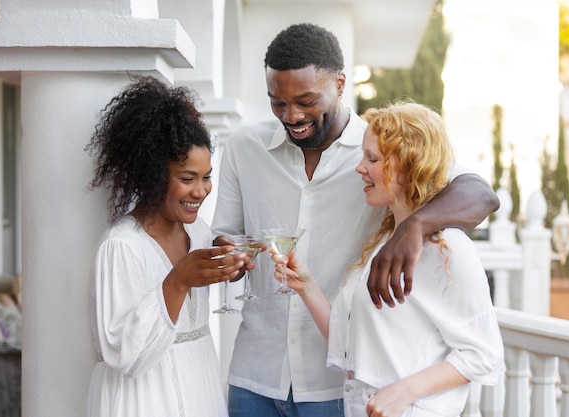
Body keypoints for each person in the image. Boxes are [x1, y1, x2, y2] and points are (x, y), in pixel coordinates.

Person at [211, 23, 499, 417]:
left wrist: (413, 227)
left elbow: (480, 193)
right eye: (277, 102)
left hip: (338, 385)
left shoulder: (384, 146)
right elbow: (225, 238)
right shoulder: (244, 149)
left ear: (341, 83)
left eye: (307, 100)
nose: (291, 115)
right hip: (255, 373)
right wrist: (229, 260)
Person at [271, 101, 504, 417]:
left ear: (409, 166)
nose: (360, 167)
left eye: (373, 158)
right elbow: (349, 343)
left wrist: (402, 392)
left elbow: (484, 354)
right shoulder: (384, 240)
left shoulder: (448, 248)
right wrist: (306, 286)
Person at [85, 75, 249, 417]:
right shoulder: (122, 247)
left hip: (199, 383)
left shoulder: (200, 232)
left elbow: (194, 307)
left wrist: (227, 265)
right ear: (151, 175)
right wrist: (178, 280)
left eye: (206, 177)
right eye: (187, 179)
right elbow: (124, 354)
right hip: (144, 397)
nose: (201, 191)